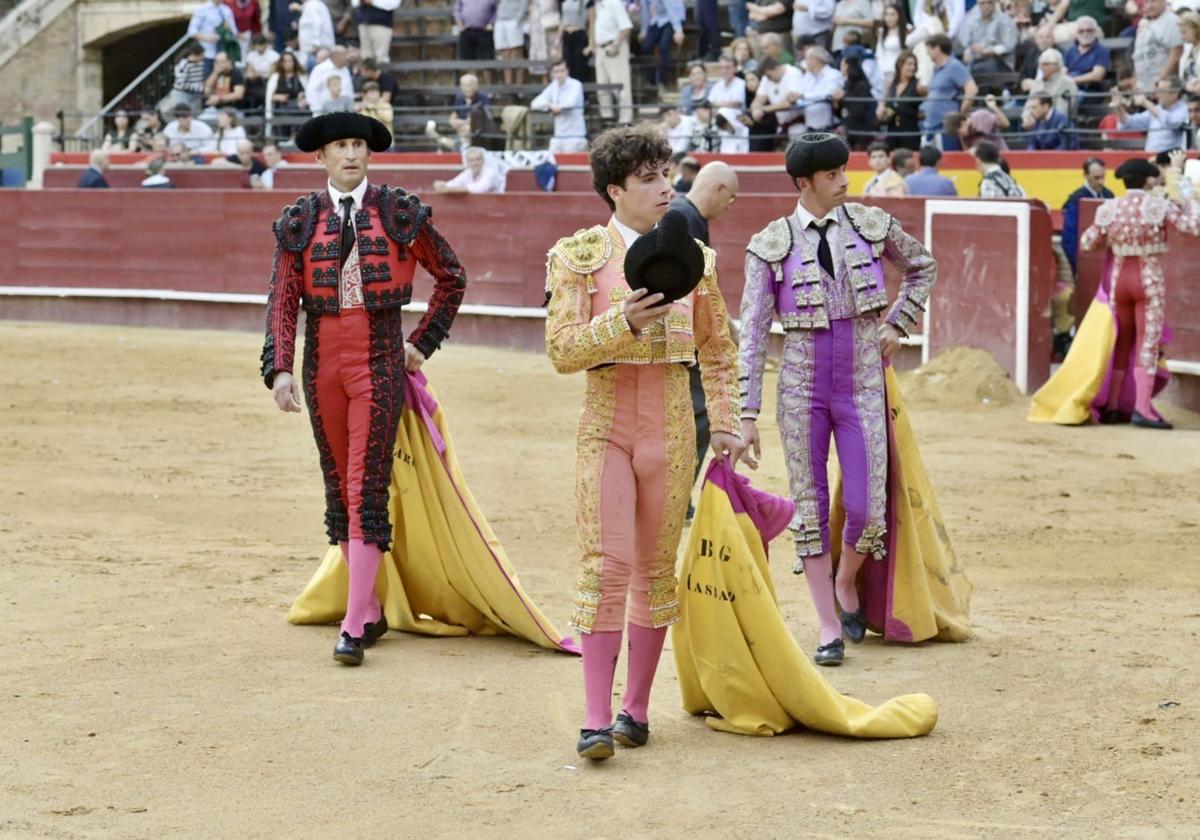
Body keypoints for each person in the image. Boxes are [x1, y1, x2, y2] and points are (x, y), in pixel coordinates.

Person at [543, 125, 743, 759]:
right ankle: (595, 718)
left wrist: (732, 424)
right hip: (606, 426)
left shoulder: (698, 260)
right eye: (651, 178)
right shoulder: (577, 257)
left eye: (668, 174)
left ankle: (636, 710)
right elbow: (561, 351)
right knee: (606, 566)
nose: (667, 188)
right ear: (615, 190)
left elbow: (719, 352)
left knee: (656, 572)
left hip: (675, 428)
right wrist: (620, 320)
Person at [261, 111, 467, 665]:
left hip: (378, 359)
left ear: (368, 153)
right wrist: (280, 369)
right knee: (340, 488)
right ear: (321, 157)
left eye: (358, 144)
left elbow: (451, 275)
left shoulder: (399, 212)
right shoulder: (299, 220)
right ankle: (369, 610)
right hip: (321, 361)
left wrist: (423, 342)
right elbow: (282, 301)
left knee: (365, 485)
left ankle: (354, 623)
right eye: (340, 146)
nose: (351, 153)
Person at [737, 132, 935, 665]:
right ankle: (826, 625)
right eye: (832, 175)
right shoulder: (770, 244)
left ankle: (846, 580)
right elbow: (752, 332)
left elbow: (923, 267)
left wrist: (899, 323)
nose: (844, 181)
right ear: (805, 183)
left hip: (861, 381)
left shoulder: (871, 225)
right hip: (801, 387)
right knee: (809, 504)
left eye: (844, 171)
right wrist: (747, 412)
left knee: (869, 507)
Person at [1030, 156, 1200, 429]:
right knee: (1147, 341)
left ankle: (1112, 407)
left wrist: (1115, 238)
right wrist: (1190, 199)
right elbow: (1193, 227)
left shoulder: (1110, 208)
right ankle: (1142, 409)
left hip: (1119, 282)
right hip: (1147, 280)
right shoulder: (1157, 206)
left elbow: (1087, 243)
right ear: (1147, 181)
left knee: (1121, 341)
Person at [667, 161, 740, 517]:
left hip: (677, 335)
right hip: (686, 338)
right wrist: (721, 330)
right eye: (731, 198)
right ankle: (676, 502)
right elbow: (697, 290)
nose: (730, 206)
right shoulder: (688, 220)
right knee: (698, 413)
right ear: (717, 189)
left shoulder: (681, 214)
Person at [920, 33, 977, 145]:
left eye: (929, 49)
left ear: (937, 48)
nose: (927, 53)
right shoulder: (936, 69)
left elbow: (972, 89)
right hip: (932, 124)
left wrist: (961, 114)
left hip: (946, 125)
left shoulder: (954, 66)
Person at [1114, 77, 1189, 152]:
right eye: (1158, 90)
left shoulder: (1184, 110)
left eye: (1162, 90)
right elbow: (1129, 122)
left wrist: (1145, 102)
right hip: (1150, 158)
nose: (1158, 94)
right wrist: (1119, 107)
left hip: (1171, 159)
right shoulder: (1156, 109)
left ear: (1175, 93)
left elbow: (1172, 123)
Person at [589, 0, 633, 124]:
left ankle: (626, 119)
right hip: (600, 49)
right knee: (602, 87)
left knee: (620, 85)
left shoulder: (614, 3)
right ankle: (607, 118)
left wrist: (616, 44)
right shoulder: (598, 6)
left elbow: (626, 27)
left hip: (614, 46)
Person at [531, 59, 588, 152]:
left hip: (575, 136)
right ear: (552, 74)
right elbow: (535, 103)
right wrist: (550, 105)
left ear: (567, 71)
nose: (559, 74)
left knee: (570, 164)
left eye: (562, 71)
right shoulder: (553, 86)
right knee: (551, 161)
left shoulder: (576, 85)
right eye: (556, 72)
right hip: (558, 136)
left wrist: (555, 108)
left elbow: (570, 103)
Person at [1132, 0, 1183, 94]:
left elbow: (1176, 53)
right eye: (1147, 2)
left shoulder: (1172, 21)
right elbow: (1138, 55)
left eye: (1154, 1)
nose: (1150, 5)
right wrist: (1135, 81)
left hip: (1163, 88)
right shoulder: (1143, 22)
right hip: (1143, 87)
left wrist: (1159, 80)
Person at [956, 0, 1019, 74]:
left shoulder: (1005, 21)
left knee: (973, 70)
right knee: (956, 67)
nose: (986, 6)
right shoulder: (976, 22)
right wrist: (969, 52)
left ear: (994, 3)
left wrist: (987, 51)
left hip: (1001, 63)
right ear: (978, 5)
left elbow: (1009, 46)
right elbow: (971, 44)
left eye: (989, 2)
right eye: (983, 3)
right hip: (979, 61)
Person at [794, 46, 844, 134]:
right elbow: (799, 95)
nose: (805, 62)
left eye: (807, 59)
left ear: (815, 60)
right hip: (809, 126)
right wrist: (799, 97)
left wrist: (804, 96)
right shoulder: (808, 76)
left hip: (828, 127)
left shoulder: (833, 74)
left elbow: (829, 94)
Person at [878, 50, 921, 150]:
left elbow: (926, 105)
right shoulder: (891, 84)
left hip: (910, 131)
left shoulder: (919, 85)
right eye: (909, 64)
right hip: (891, 131)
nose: (913, 67)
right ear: (900, 65)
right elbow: (883, 101)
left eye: (914, 64)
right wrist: (881, 107)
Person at [1064, 15, 1110, 104]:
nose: (1085, 33)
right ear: (1076, 33)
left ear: (1095, 32)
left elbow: (1097, 75)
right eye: (1081, 31)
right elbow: (1064, 70)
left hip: (1090, 90)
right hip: (1069, 89)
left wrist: (1072, 80)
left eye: (1089, 30)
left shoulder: (1101, 51)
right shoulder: (1070, 51)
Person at [640, 0, 686, 89]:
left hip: (674, 16)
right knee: (646, 47)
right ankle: (651, 81)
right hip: (658, 18)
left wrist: (678, 30)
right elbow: (645, 11)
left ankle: (662, 81)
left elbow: (671, 9)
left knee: (663, 46)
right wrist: (644, 30)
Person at [837, 54, 877, 149]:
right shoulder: (846, 84)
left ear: (847, 66)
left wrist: (844, 96)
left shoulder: (863, 86)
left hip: (861, 132)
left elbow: (859, 111)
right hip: (848, 129)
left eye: (842, 65)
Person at [187, 0, 236, 77]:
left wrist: (227, 29)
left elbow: (234, 31)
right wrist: (207, 38)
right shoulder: (202, 9)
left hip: (223, 55)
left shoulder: (226, 10)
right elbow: (192, 31)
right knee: (207, 79)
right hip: (207, 54)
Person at [433, 146, 506, 193]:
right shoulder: (468, 172)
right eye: (471, 160)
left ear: (483, 161)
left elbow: (480, 189)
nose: (475, 163)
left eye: (478, 159)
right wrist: (442, 185)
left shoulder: (490, 172)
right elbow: (454, 183)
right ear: (468, 163)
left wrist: (447, 189)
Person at [306, 45, 355, 114]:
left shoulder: (345, 70)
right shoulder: (320, 69)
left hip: (345, 112)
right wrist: (319, 110)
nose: (347, 58)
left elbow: (349, 91)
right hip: (325, 112)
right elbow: (311, 91)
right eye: (344, 55)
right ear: (335, 56)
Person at [493, 0, 528, 85]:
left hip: (513, 20)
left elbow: (524, 3)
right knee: (505, 53)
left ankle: (519, 86)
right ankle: (508, 85)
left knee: (516, 53)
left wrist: (518, 19)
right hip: (500, 20)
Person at [355, 0, 400, 64]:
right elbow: (354, 3)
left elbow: (393, 3)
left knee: (381, 58)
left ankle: (381, 73)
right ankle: (367, 73)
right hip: (364, 22)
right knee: (366, 57)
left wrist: (373, 2)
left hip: (381, 23)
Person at [297, 0, 335, 68]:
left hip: (316, 51)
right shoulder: (313, 4)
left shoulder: (312, 5)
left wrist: (316, 44)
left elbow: (317, 22)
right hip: (314, 50)